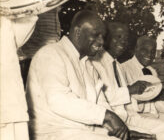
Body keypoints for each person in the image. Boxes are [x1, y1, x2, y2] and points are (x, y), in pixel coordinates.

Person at [26, 10, 131, 140]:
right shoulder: (50, 54)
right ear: (78, 32)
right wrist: (107, 115)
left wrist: (121, 130)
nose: (101, 41)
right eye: (96, 35)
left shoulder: (88, 65)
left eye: (103, 36)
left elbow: (101, 103)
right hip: (52, 133)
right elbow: (58, 100)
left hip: (81, 132)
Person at [92, 22, 164, 140]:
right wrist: (130, 90)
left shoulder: (117, 65)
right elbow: (98, 100)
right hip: (114, 122)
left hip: (130, 116)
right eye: (118, 37)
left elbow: (129, 103)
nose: (123, 42)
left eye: (125, 39)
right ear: (106, 38)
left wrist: (153, 95)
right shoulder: (96, 64)